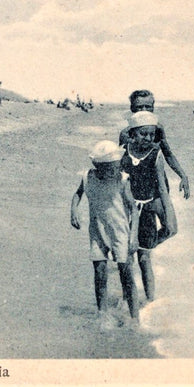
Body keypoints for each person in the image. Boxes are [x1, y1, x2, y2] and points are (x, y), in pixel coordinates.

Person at [70, 140, 140, 326]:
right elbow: (78, 194)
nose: (114, 172)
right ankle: (102, 312)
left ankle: (134, 317)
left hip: (120, 232)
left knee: (125, 272)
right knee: (99, 271)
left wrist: (133, 237)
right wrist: (74, 211)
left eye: (116, 167)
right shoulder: (88, 177)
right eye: (109, 168)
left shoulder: (122, 180)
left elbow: (133, 209)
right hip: (97, 230)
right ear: (97, 166)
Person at [121, 111, 177, 302]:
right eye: (143, 134)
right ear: (133, 134)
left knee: (144, 258)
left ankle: (150, 300)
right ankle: (128, 301)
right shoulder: (123, 151)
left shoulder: (155, 155)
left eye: (152, 134)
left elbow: (162, 188)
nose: (148, 138)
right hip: (125, 210)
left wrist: (168, 214)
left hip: (146, 211)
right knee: (126, 260)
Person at [118, 90, 191, 199]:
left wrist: (183, 176)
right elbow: (119, 163)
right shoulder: (125, 133)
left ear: (153, 108)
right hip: (134, 184)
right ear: (132, 109)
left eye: (148, 107)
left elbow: (168, 155)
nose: (144, 110)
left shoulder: (158, 130)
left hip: (156, 183)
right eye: (139, 107)